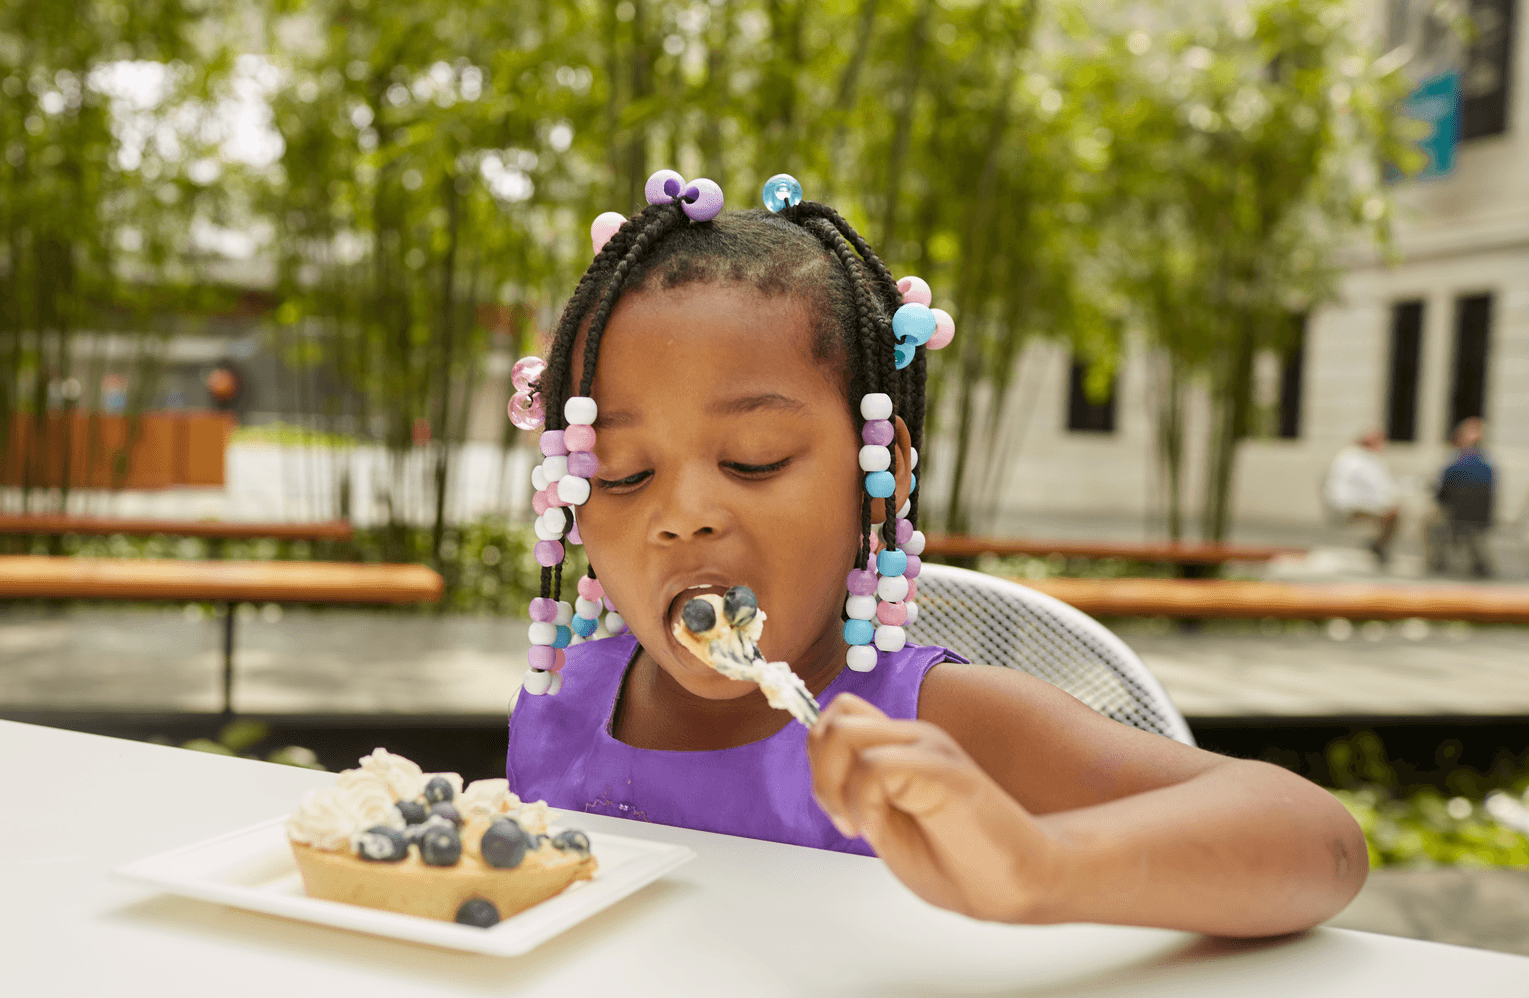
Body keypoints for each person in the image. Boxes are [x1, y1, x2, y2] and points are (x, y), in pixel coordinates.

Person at [504, 171, 1366, 940]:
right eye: (619, 474)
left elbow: (1315, 840)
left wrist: (1042, 864)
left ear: (881, 473)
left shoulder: (940, 729)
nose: (682, 515)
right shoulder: (563, 701)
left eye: (756, 458)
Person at [1431, 417, 1496, 578]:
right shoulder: (1488, 465)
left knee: (1429, 522)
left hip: (1455, 515)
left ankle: (1436, 560)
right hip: (1482, 517)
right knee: (1470, 531)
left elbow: (1442, 493)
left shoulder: (1455, 463)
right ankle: (1478, 562)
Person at [1324, 428, 1400, 564]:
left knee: (1391, 511)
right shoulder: (1357, 460)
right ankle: (1378, 546)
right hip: (1348, 506)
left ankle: (1378, 545)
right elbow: (1376, 488)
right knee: (1393, 513)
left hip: (1353, 503)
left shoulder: (1355, 457)